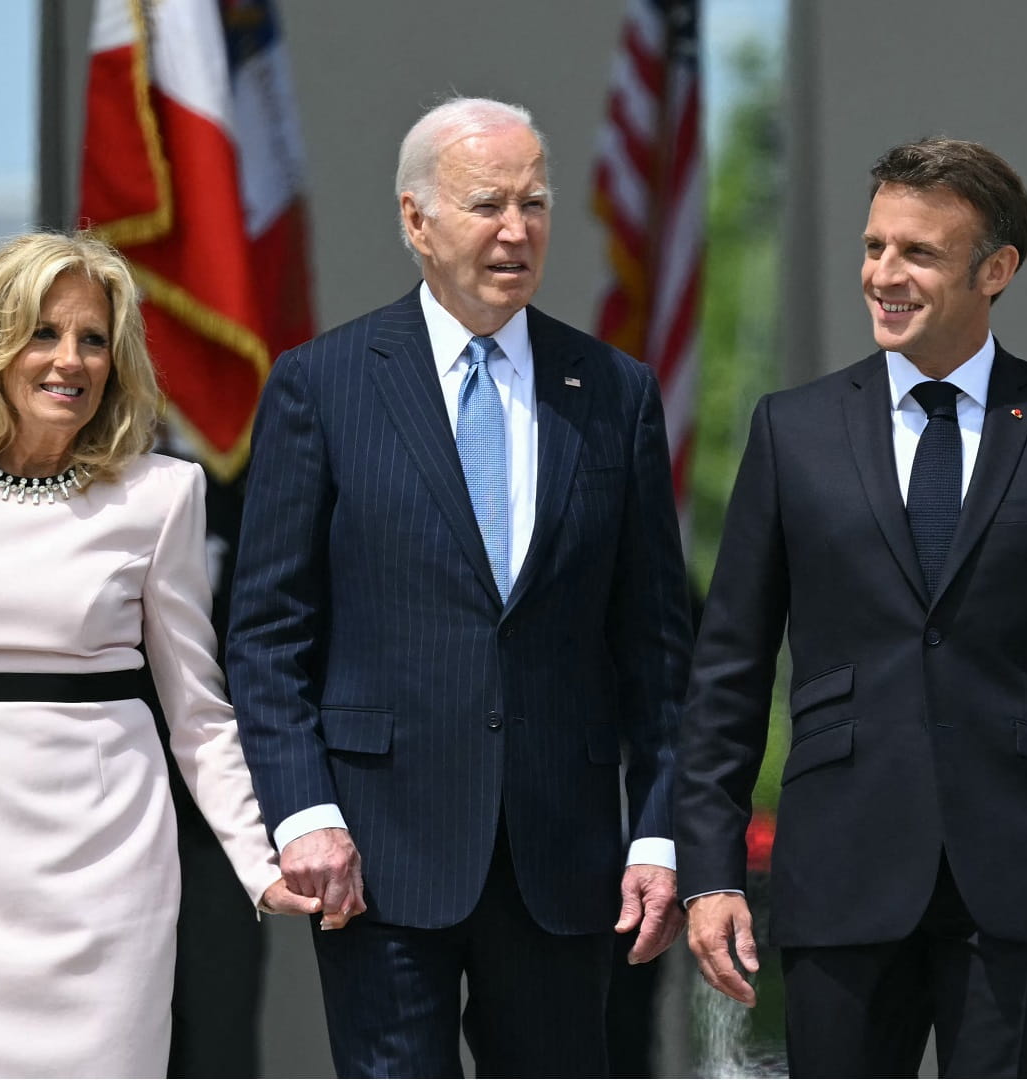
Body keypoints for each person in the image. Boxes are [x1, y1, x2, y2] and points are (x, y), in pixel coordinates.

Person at [675, 138, 1027, 1078]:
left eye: (917, 253)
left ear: (996, 270)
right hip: (842, 864)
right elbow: (727, 672)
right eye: (874, 247)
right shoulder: (791, 431)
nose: (884, 275)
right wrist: (708, 869)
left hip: (1026, 875)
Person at [226, 96, 691, 1078]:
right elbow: (267, 636)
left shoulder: (613, 391)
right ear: (415, 221)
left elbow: (656, 649)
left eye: (536, 202)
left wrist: (658, 828)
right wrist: (305, 814)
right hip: (377, 857)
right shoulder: (324, 386)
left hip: (561, 859)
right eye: (488, 203)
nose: (517, 229)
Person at [0, 231, 315, 1076]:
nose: (69, 360)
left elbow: (196, 709)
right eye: (44, 332)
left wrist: (260, 867)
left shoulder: (162, 495)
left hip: (106, 873)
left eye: (93, 339)